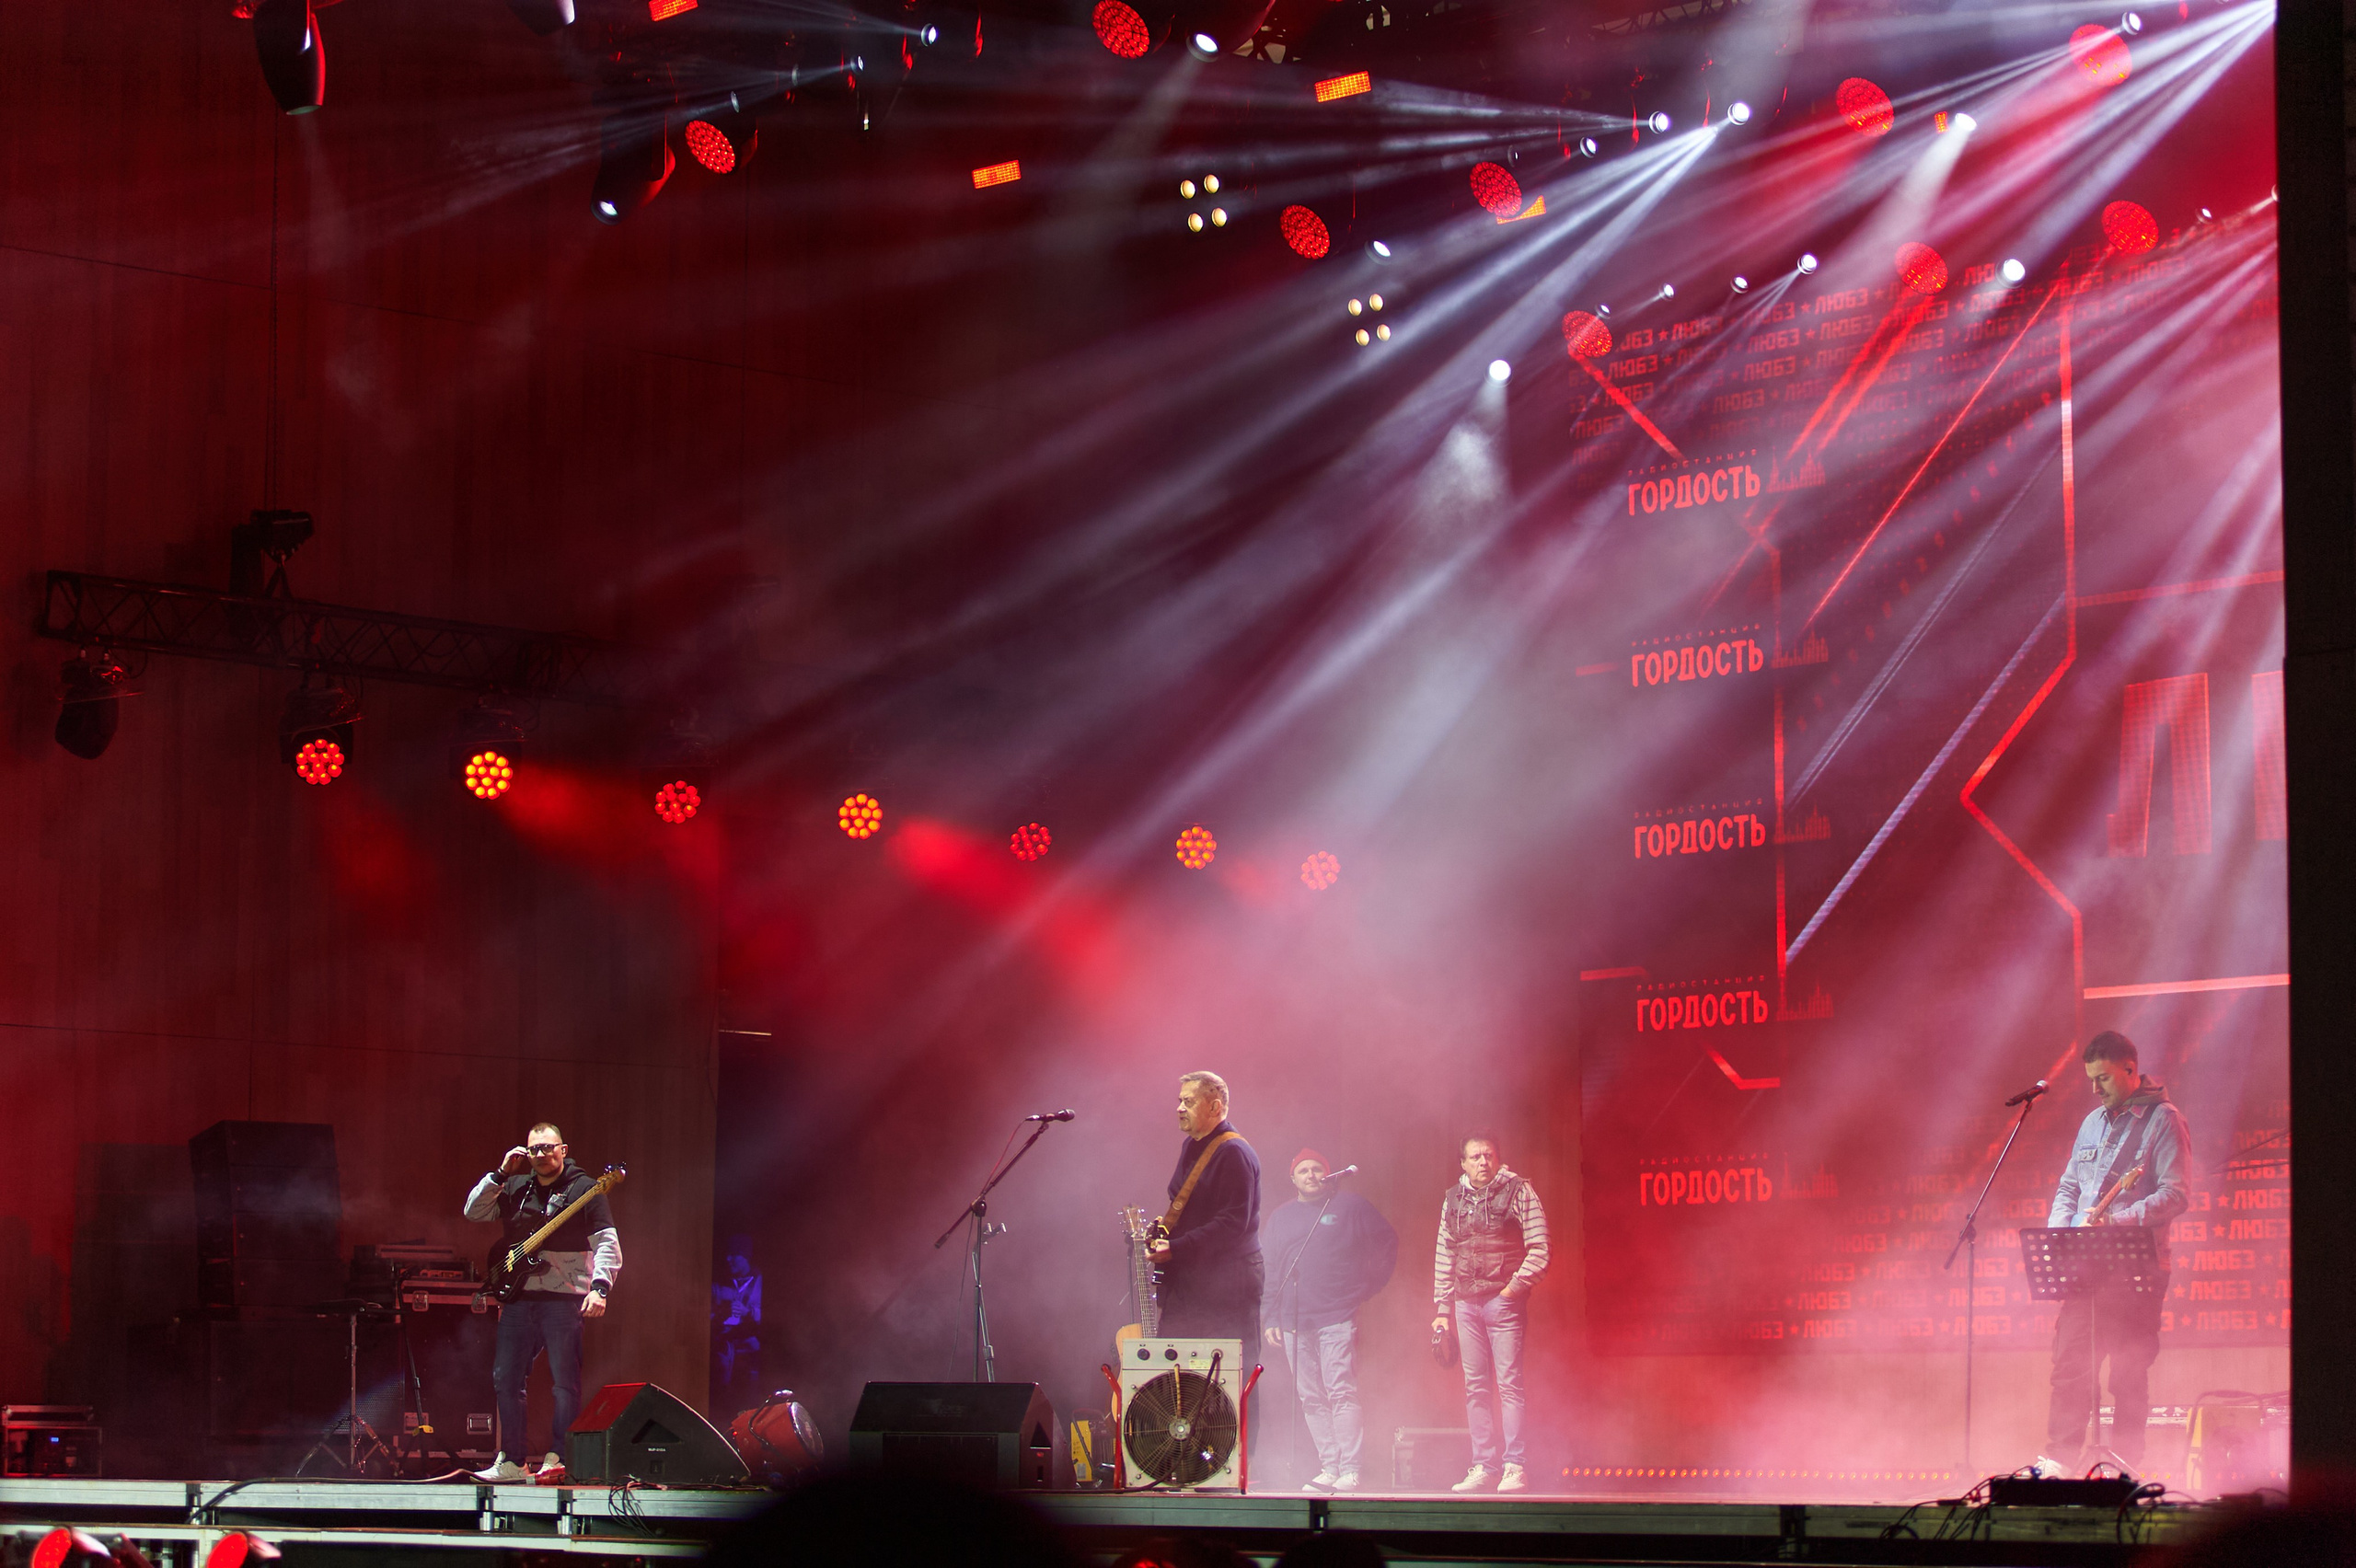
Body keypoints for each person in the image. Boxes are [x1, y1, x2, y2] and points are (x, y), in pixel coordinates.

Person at [2037, 1031, 2191, 1474]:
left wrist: (2114, 1221)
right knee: (2070, 1366)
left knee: (2127, 1375)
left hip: (2135, 1270)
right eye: (2090, 1079)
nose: (2095, 1088)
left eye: (2103, 1078)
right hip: (2084, 1268)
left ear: (2130, 1069)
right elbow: (2069, 1186)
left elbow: (2176, 1195)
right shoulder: (2091, 1122)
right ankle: (2059, 1462)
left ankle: (2124, 1468)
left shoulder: (2163, 1119)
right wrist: (2061, 1233)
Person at [463, 1122, 622, 1482]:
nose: (541, 1155)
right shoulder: (517, 1186)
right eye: (534, 1149)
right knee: (506, 1377)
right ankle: (513, 1461)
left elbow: (607, 1245)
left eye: (549, 1147)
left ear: (563, 1150)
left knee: (564, 1381)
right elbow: (473, 1212)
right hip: (518, 1299)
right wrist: (501, 1173)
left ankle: (558, 1459)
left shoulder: (586, 1190)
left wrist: (600, 1288)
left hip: (563, 1300)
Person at [1261, 1149, 1397, 1493]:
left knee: (1340, 1391)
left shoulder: (1350, 1206)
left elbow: (1386, 1241)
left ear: (1328, 1174)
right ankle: (1329, 1467)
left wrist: (1367, 1287)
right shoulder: (1281, 1218)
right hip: (1294, 1319)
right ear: (1292, 1178)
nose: (1311, 1175)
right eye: (1303, 1170)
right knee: (1310, 1396)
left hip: (1336, 1316)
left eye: (1317, 1169)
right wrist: (1271, 1316)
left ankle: (1350, 1469)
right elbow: (1271, 1270)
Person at [1429, 1134, 1548, 1493]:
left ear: (1498, 1158)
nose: (1483, 1162)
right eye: (1475, 1157)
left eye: (1488, 1155)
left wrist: (1512, 1290)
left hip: (1502, 1301)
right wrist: (1441, 1309)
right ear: (1463, 1163)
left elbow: (1540, 1247)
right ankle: (1484, 1465)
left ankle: (1515, 1465)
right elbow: (1444, 1254)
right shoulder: (1453, 1199)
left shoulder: (1517, 1190)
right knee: (1476, 1387)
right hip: (1465, 1304)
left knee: (1509, 1385)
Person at [1149, 1072, 1264, 1358]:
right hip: (1192, 1280)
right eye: (1180, 1101)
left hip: (1226, 1285)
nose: (1179, 1108)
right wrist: (1165, 1234)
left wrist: (1177, 1248)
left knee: (1224, 1378)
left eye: (1188, 1101)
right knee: (1176, 1368)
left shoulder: (1234, 1152)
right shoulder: (1192, 1145)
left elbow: (1232, 1223)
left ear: (1214, 1107)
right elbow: (1189, 1206)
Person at [711, 1235, 764, 1416]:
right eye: (728, 1254)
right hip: (723, 1343)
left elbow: (770, 1315)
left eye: (734, 1255)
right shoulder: (722, 1279)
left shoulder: (760, 1280)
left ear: (745, 1257)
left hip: (747, 1345)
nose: (728, 1259)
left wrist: (747, 1313)